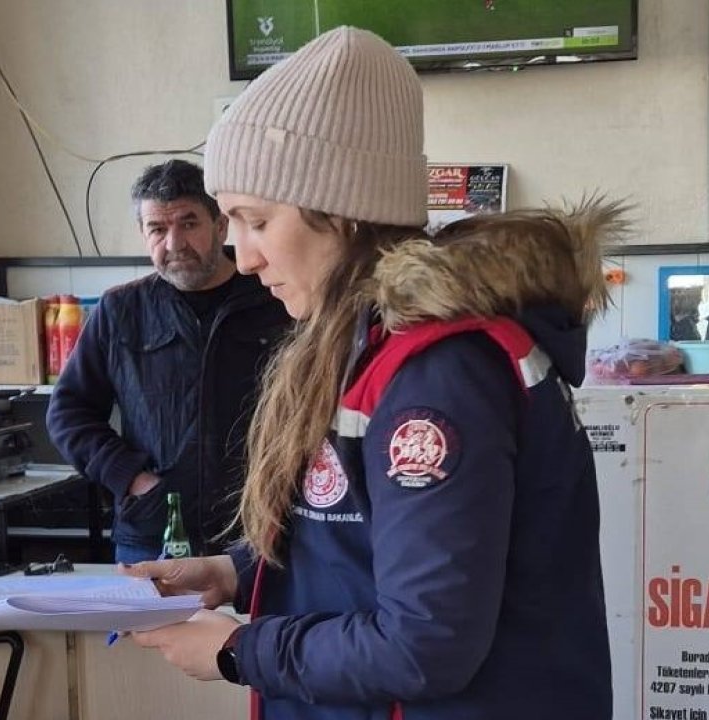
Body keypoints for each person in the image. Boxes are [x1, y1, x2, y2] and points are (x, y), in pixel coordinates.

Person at [122, 27, 615, 720]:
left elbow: (426, 644)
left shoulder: (438, 376)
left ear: (344, 210)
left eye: (254, 219)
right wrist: (234, 571)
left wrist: (240, 651)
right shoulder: (365, 348)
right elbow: (352, 541)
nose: (243, 254)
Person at [47, 159, 290, 564]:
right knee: (153, 631)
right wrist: (132, 479)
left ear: (221, 225)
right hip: (156, 533)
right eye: (157, 229)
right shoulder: (121, 310)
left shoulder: (276, 300)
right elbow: (68, 413)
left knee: (254, 630)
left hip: (259, 532)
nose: (174, 243)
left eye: (189, 223)